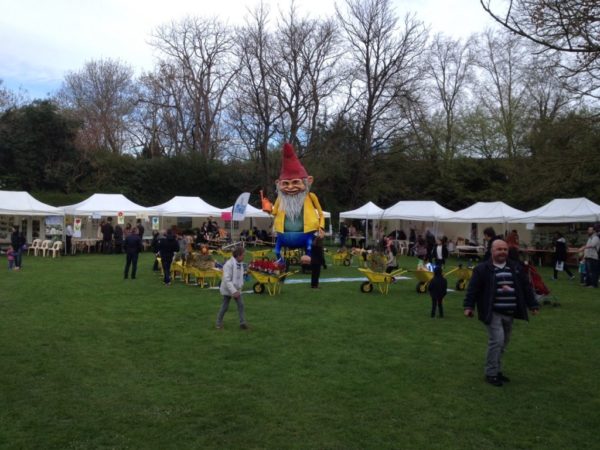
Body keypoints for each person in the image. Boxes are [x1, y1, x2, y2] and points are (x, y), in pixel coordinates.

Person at [464, 239, 540, 387]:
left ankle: (497, 370)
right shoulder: (482, 269)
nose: (502, 252)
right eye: (499, 249)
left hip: (510, 312)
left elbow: (526, 287)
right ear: (492, 251)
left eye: (505, 249)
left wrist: (533, 305)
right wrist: (468, 306)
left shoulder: (515, 267)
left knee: (503, 343)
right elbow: (473, 289)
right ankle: (491, 373)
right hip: (493, 312)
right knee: (497, 341)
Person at [264, 142, 325, 263]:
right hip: (283, 236)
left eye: (296, 182)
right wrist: (268, 208)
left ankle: (308, 261)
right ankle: (281, 263)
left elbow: (320, 213)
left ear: (308, 181)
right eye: (285, 183)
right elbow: (274, 212)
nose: (290, 187)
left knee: (309, 248)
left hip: (306, 234)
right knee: (276, 251)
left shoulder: (311, 196)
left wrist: (321, 227)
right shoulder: (280, 199)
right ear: (278, 184)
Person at [216, 247, 249, 330]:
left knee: (241, 305)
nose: (244, 257)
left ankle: (242, 323)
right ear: (238, 255)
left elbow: (238, 278)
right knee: (225, 306)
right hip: (228, 288)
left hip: (236, 289)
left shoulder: (240, 264)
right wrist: (233, 291)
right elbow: (227, 280)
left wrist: (238, 289)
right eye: (243, 255)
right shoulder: (228, 264)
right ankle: (218, 323)